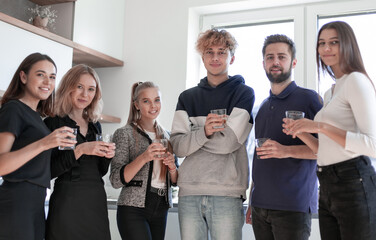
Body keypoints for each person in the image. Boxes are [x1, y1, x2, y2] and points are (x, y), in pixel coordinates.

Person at [283, 21, 376, 240]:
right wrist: (302, 132)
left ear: (348, 45)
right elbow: (323, 151)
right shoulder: (331, 91)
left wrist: (318, 126)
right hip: (325, 184)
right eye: (322, 43)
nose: (326, 49)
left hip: (353, 181)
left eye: (334, 42)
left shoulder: (356, 80)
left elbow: (372, 145)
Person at [170, 29, 255, 240]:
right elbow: (177, 147)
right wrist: (206, 132)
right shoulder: (187, 97)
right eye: (209, 52)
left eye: (222, 52)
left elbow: (229, 143)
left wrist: (195, 135)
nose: (215, 57)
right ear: (202, 57)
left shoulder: (244, 94)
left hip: (227, 193)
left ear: (232, 57)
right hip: (189, 192)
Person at [245, 34, 323, 240]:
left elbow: (326, 151)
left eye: (282, 56)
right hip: (261, 205)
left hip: (293, 206)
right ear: (263, 64)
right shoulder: (261, 107)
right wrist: (253, 200)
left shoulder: (309, 99)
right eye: (270, 57)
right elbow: (259, 157)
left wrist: (285, 150)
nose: (275, 62)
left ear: (293, 62)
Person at [0, 53, 76, 240]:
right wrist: (44, 143)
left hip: (36, 201)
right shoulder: (13, 109)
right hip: (17, 201)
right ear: (23, 77)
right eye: (40, 74)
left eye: (52, 77)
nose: (47, 82)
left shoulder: (36, 117)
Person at [44, 64, 115, 240]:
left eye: (91, 89)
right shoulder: (53, 123)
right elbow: (48, 171)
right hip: (67, 201)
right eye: (80, 87)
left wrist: (107, 156)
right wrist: (81, 149)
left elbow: (100, 170)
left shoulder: (95, 124)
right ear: (68, 87)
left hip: (95, 200)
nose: (85, 94)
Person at [110, 81, 178, 240]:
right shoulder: (123, 133)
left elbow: (175, 181)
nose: (153, 105)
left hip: (161, 208)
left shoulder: (168, 137)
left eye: (157, 100)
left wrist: (173, 167)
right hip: (133, 209)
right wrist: (144, 157)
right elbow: (115, 180)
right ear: (136, 105)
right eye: (146, 101)